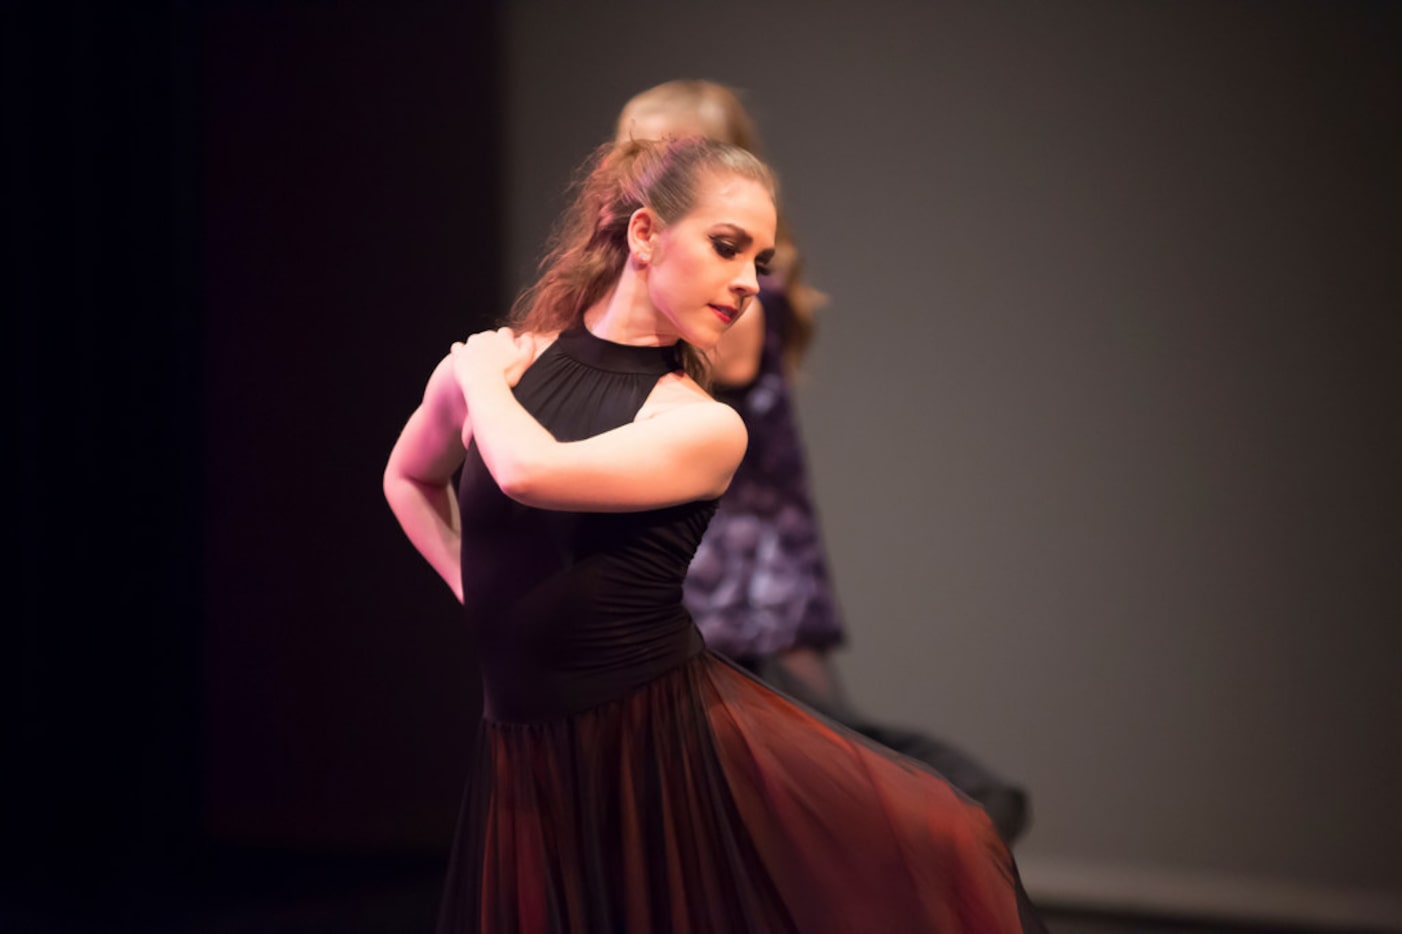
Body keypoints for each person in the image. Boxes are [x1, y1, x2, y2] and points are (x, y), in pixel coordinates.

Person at [385, 135, 1045, 932]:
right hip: (523, 753)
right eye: (727, 247)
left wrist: (477, 373)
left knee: (939, 843)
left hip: (652, 754)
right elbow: (408, 480)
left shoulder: (697, 425)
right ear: (643, 235)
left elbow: (532, 471)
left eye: (758, 263)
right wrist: (474, 591)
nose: (747, 285)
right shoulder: (510, 369)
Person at [618, 79, 1030, 844]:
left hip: (750, 581)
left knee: (825, 763)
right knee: (775, 778)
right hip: (712, 571)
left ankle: (964, 813)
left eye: (663, 158)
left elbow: (669, 395)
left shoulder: (737, 297)